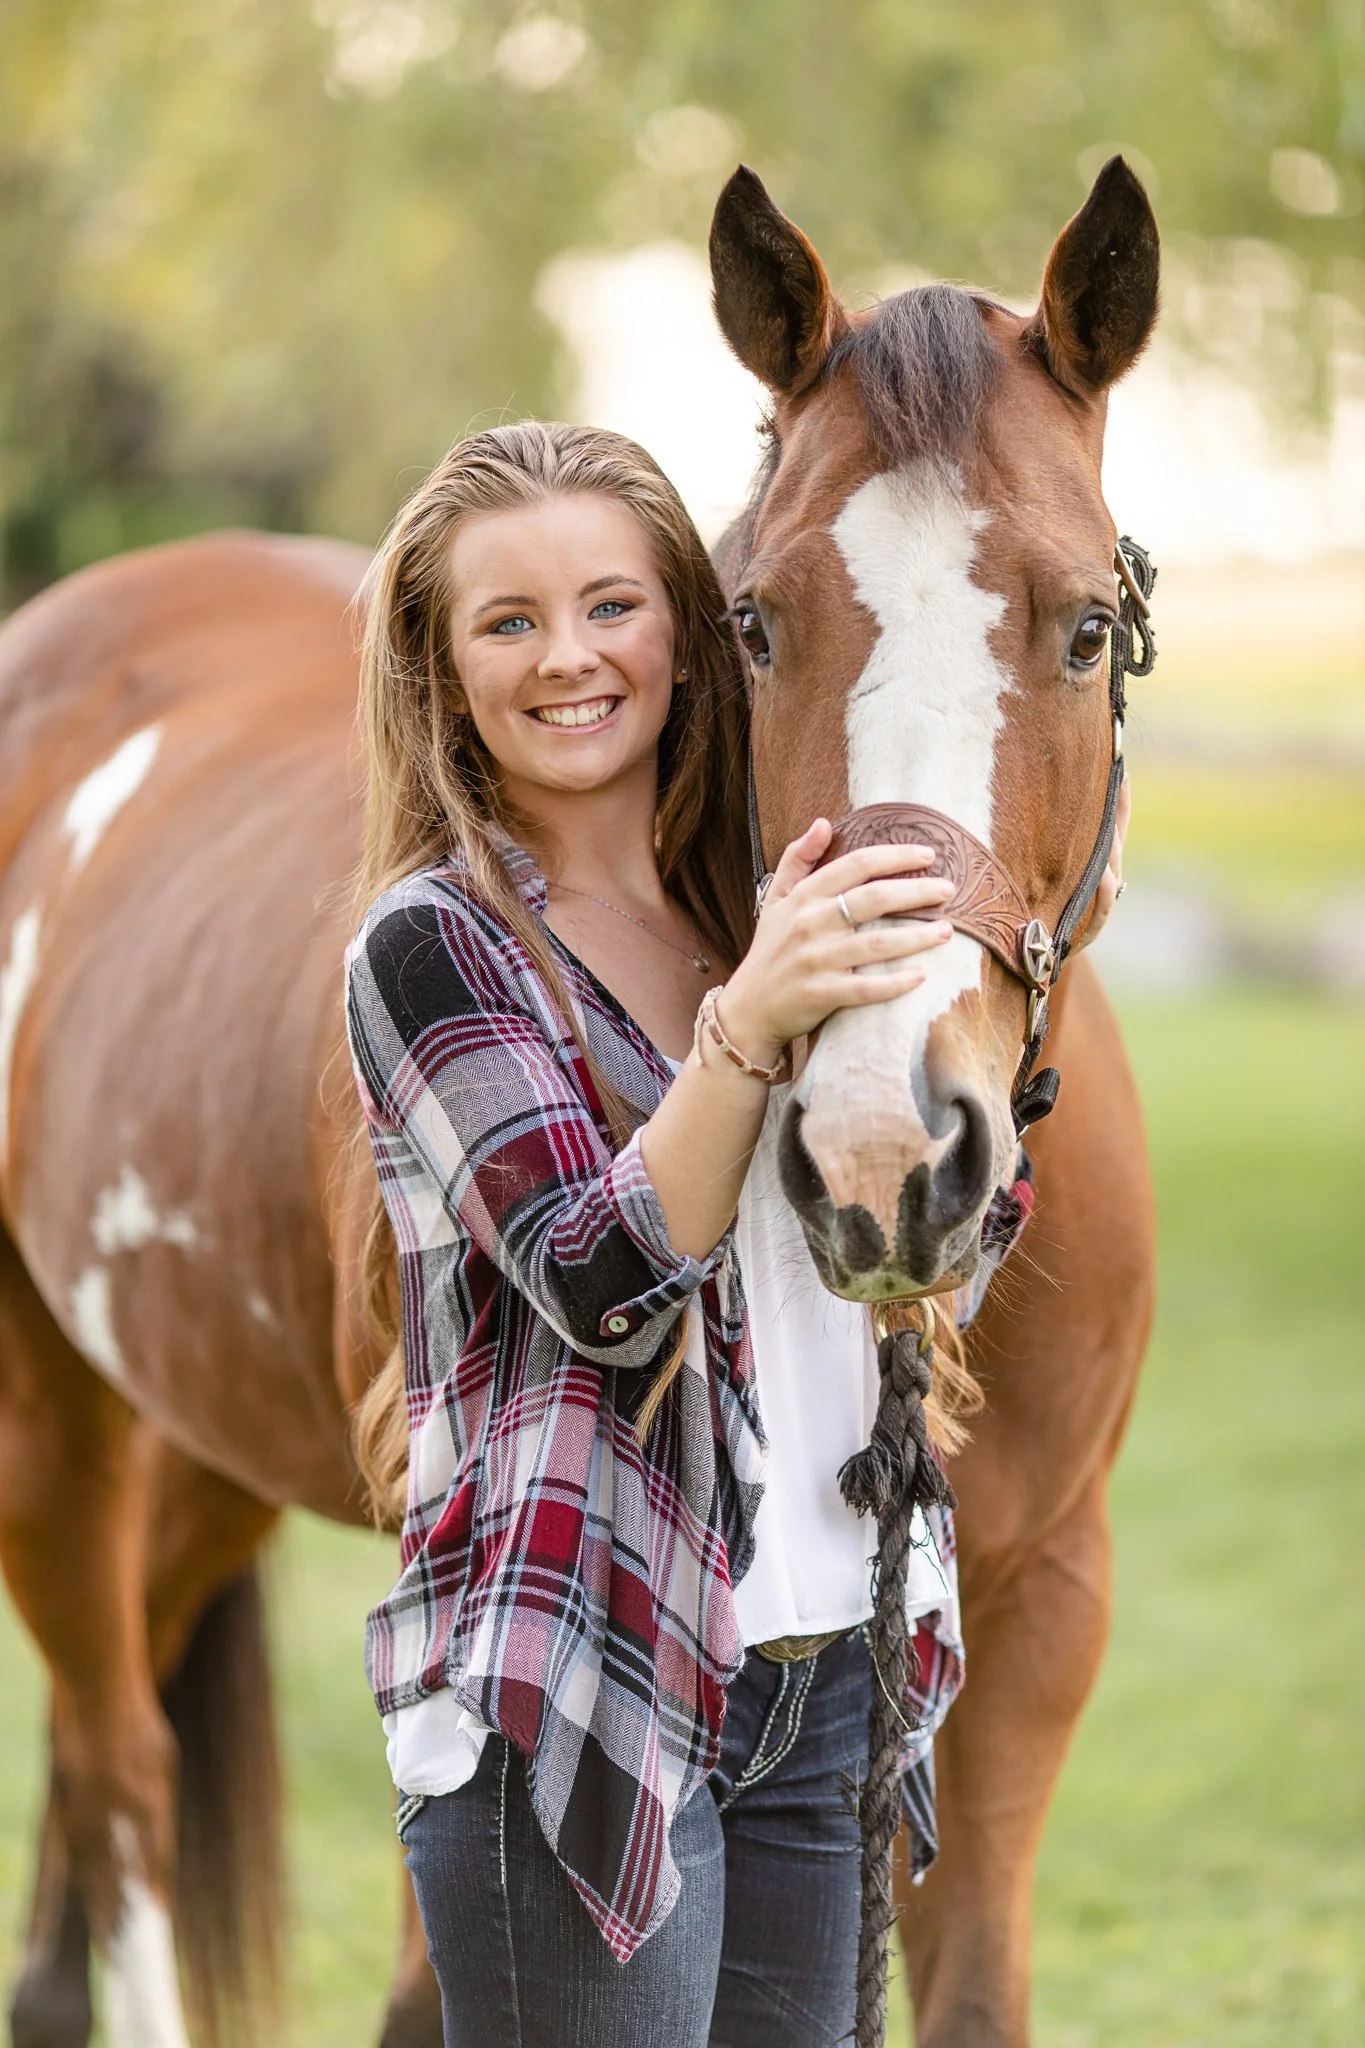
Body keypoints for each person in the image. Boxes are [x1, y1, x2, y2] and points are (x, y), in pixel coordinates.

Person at [343, 420, 1125, 2048]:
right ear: (440, 668)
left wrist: (962, 1066)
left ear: (688, 636)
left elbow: (910, 1268)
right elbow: (598, 1281)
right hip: (576, 1682)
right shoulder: (437, 951)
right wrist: (748, 1031)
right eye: (510, 621)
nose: (572, 659)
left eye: (614, 606)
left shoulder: (762, 901)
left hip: (821, 1673)